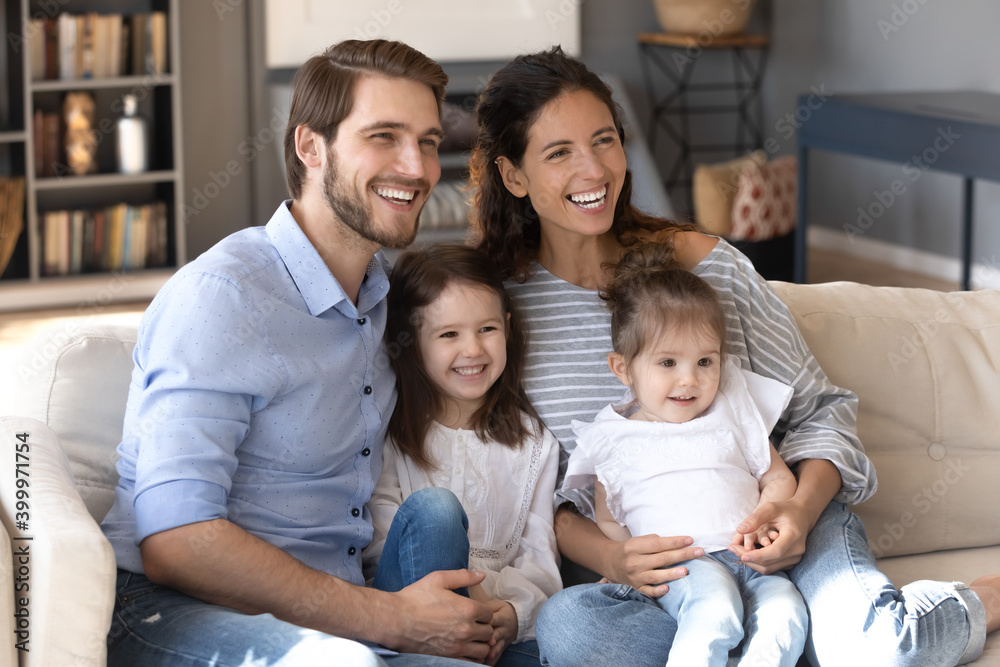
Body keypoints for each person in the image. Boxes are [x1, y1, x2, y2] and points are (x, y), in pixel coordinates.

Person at [468, 45, 1000, 666]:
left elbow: (822, 413)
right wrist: (613, 558)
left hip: (774, 532)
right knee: (574, 633)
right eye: (559, 153)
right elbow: (535, 491)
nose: (593, 169)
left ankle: (974, 603)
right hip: (653, 578)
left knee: (879, 652)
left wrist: (796, 512)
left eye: (605, 140)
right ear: (513, 175)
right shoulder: (497, 313)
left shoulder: (705, 266)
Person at [100, 39, 498, 666]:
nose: (418, 168)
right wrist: (388, 617)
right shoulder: (224, 296)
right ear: (311, 148)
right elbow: (175, 540)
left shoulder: (387, 300)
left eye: (426, 140)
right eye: (384, 136)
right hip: (173, 612)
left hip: (339, 608)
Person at [562, 242, 806, 666]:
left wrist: (767, 514)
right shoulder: (611, 437)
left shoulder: (731, 407)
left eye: (705, 361)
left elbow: (779, 477)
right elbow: (609, 521)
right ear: (622, 368)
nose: (689, 379)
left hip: (752, 556)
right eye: (668, 363)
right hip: (683, 564)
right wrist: (622, 564)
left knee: (787, 614)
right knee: (715, 610)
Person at [363, 243, 562, 667]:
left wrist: (512, 612)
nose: (472, 350)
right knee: (436, 510)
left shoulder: (535, 444)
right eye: (449, 334)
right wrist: (468, 600)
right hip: (409, 610)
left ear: (507, 327)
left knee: (579, 633)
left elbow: (540, 557)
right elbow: (381, 547)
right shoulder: (389, 433)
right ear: (413, 342)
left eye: (487, 329)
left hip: (498, 631)